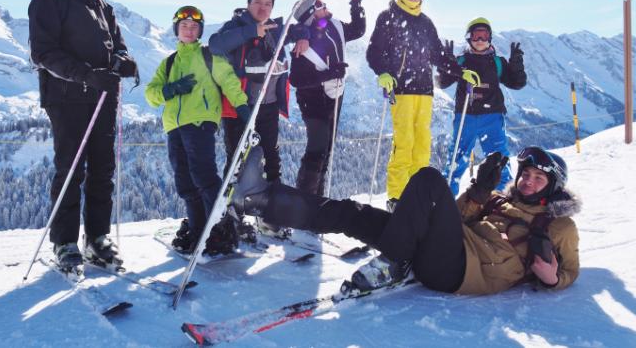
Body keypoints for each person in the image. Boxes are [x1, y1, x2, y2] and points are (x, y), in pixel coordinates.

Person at [233, 145, 580, 296]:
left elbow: (571, 272)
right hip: (442, 249)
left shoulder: (558, 225)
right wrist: (479, 191)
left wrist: (553, 279)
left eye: (539, 178)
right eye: (526, 174)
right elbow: (456, 218)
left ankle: (394, 262)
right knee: (354, 214)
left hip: (461, 271)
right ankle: (262, 199)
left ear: (552, 188)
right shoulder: (499, 199)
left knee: (430, 178)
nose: (528, 181)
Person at [28, 0, 138, 271]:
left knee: (102, 170)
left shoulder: (104, 7)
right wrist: (88, 75)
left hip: (104, 98)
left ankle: (98, 239)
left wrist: (124, 62)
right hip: (67, 96)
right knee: (71, 170)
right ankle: (64, 243)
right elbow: (44, 54)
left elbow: (118, 46)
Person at [366, 0, 479, 211]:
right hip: (402, 90)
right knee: (404, 142)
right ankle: (396, 197)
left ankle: (417, 195)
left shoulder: (426, 23)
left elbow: (439, 55)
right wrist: (383, 73)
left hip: (425, 91)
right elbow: (374, 51)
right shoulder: (388, 17)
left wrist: (460, 72)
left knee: (422, 145)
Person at [145, 6, 251, 254]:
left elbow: (229, 81)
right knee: (185, 182)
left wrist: (243, 108)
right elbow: (151, 94)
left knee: (204, 176)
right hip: (174, 127)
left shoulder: (208, 56)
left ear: (200, 31)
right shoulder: (169, 62)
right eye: (184, 26)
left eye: (194, 27)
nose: (189, 30)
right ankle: (197, 230)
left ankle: (219, 232)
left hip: (201, 122)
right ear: (177, 30)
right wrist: (169, 90)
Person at [208, 0, 308, 235]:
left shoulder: (277, 29)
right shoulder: (235, 26)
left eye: (267, 4)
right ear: (248, 3)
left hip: (269, 106)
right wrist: (252, 31)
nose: (262, 8)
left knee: (271, 159)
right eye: (257, 2)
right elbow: (215, 45)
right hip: (240, 107)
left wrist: (304, 34)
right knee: (238, 159)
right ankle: (229, 215)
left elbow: (302, 29)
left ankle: (270, 215)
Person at [288, 0, 366, 196]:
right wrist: (330, 73)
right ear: (313, 13)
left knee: (326, 148)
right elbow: (296, 79)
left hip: (335, 94)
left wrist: (356, 3)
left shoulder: (335, 25)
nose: (326, 5)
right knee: (317, 148)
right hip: (312, 98)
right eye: (321, 4)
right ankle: (304, 204)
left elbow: (358, 29)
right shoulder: (304, 40)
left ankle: (316, 200)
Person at [438, 18, 527, 195]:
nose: (480, 40)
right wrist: (446, 65)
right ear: (469, 38)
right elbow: (442, 83)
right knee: (456, 158)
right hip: (466, 117)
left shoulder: (497, 62)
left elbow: (517, 83)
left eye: (484, 35)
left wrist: (516, 66)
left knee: (498, 160)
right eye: (476, 35)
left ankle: (503, 199)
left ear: (490, 38)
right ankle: (446, 201)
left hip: (492, 116)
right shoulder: (461, 61)